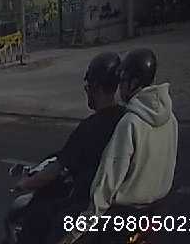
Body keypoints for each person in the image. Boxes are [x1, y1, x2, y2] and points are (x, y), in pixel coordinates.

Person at [13, 52, 125, 244]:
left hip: (89, 206)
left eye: (88, 87)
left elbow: (56, 168)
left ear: (96, 87)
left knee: (41, 220)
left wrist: (25, 183)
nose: (87, 92)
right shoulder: (128, 119)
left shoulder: (90, 128)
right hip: (120, 207)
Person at [81, 49, 177, 223]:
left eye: (123, 81)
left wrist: (81, 226)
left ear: (133, 83)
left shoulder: (130, 123)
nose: (120, 88)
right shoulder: (171, 118)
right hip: (158, 207)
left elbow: (108, 180)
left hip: (124, 214)